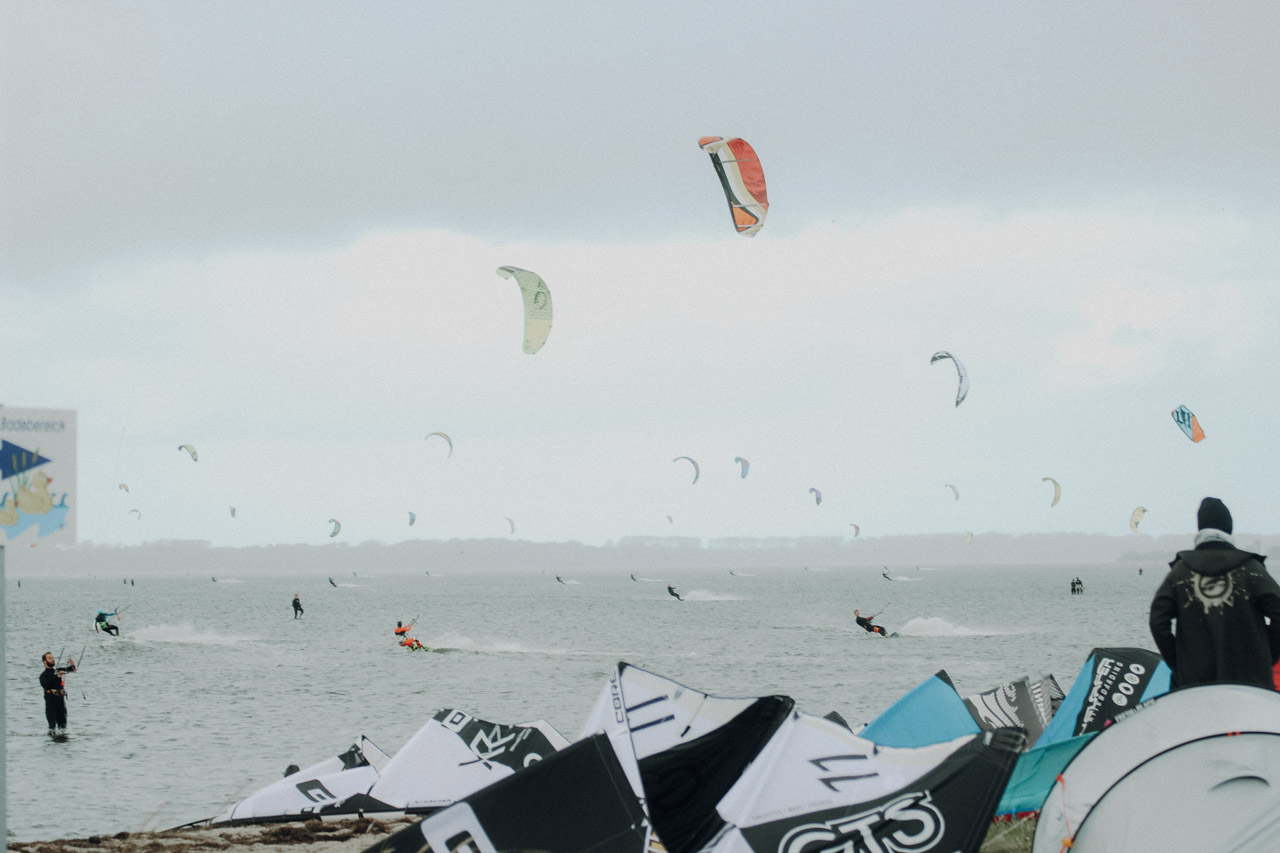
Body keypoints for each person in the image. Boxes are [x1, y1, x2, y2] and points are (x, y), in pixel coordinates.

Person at [1149, 497, 1280, 690]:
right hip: (1251, 683)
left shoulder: (1180, 573)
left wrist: (1179, 663)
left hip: (1195, 685)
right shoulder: (1251, 570)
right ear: (1229, 528)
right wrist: (1267, 655)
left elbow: (1157, 622)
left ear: (1200, 529)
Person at [40, 652, 76, 734]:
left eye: (53, 658)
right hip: (51, 705)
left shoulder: (58, 671)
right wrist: (57, 677)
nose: (52, 659)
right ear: (44, 662)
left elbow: (71, 669)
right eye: (50, 658)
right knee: (52, 728)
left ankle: (62, 742)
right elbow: (45, 684)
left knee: (63, 728)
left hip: (61, 703)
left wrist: (72, 665)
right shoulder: (43, 675)